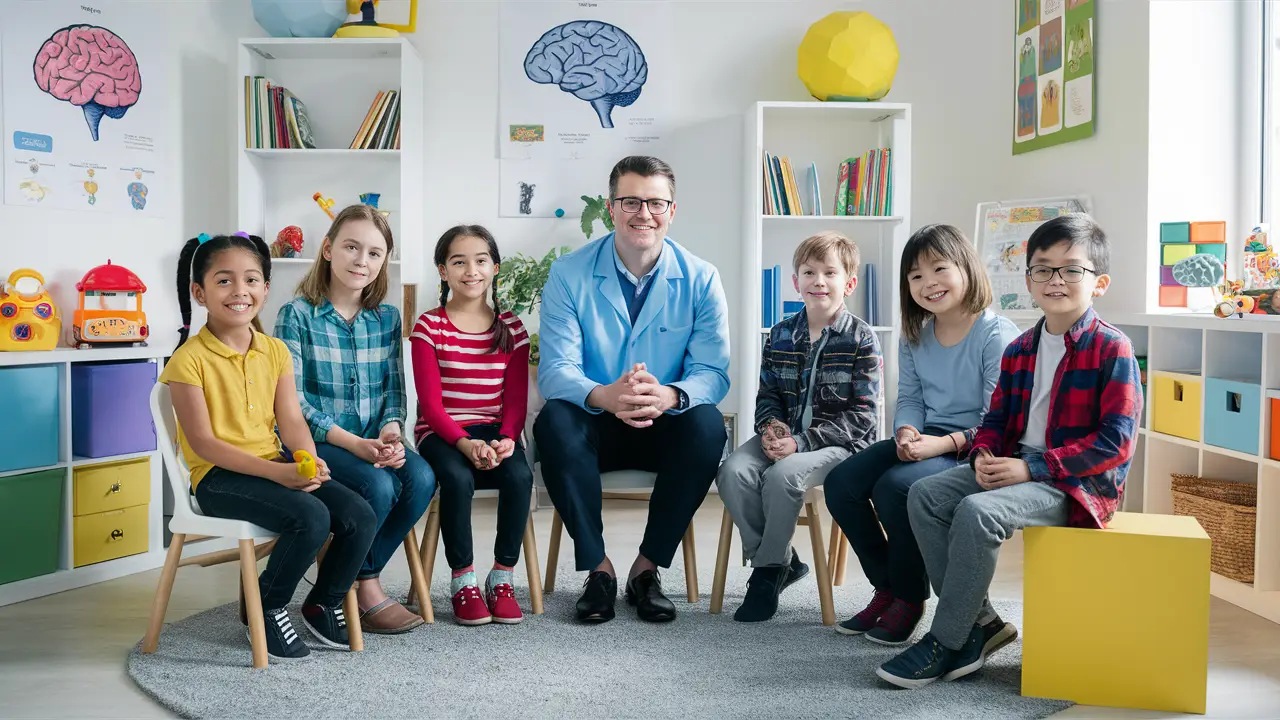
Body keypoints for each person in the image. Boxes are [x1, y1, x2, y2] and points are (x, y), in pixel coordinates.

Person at [876, 214, 1143, 688]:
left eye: (1071, 270)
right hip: (1019, 466)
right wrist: (983, 454)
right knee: (925, 496)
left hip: (1074, 484)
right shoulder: (1021, 348)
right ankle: (982, 624)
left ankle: (946, 639)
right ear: (1028, 280)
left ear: (1098, 283)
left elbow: (1114, 443)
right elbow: (995, 420)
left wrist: (1030, 466)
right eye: (1043, 269)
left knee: (978, 513)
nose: (1055, 279)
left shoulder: (1112, 349)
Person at [161, 232, 376, 662]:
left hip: (274, 464)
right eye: (224, 281)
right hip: (218, 478)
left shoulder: (274, 351)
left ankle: (323, 601)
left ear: (264, 288)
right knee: (311, 517)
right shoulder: (187, 360)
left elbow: (292, 420)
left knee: (359, 515)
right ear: (199, 292)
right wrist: (280, 473)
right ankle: (267, 605)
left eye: (251, 280)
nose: (240, 291)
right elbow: (203, 444)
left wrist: (306, 459)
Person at [534, 155, 731, 624]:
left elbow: (713, 372)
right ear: (610, 207)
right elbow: (556, 369)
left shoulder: (701, 277)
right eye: (631, 201)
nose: (644, 213)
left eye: (656, 202)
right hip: (597, 426)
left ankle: (647, 569)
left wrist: (668, 396)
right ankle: (599, 570)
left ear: (672, 210)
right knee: (555, 420)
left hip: (664, 428)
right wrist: (605, 395)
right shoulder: (568, 273)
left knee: (707, 424)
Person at [824, 224, 1018, 644]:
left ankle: (910, 599)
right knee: (842, 482)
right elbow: (909, 397)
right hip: (927, 437)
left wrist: (942, 444)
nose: (928, 283)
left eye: (939, 269)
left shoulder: (995, 334)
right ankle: (890, 587)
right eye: (915, 275)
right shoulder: (916, 335)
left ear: (965, 267)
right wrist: (906, 430)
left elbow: (998, 418)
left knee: (897, 486)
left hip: (977, 446)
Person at [274, 204, 436, 635]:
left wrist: (390, 431)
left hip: (371, 438)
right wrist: (351, 442)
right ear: (328, 249)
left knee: (420, 478)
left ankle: (359, 574)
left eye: (375, 253)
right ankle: (358, 592)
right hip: (316, 442)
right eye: (351, 247)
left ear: (384, 261)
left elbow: (394, 390)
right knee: (378, 485)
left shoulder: (386, 319)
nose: (362, 260)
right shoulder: (297, 315)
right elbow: (293, 402)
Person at [715, 231, 881, 622]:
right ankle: (783, 560)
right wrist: (771, 427)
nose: (818, 281)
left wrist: (801, 442)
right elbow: (767, 393)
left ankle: (766, 574)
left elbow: (864, 416)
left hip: (839, 445)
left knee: (783, 476)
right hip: (784, 435)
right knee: (732, 471)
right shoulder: (781, 334)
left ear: (849, 283)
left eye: (830, 272)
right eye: (809, 272)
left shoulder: (862, 338)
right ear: (796, 281)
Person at [411, 224, 534, 626]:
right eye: (458, 262)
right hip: (442, 433)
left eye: (481, 260)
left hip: (495, 430)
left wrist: (506, 440)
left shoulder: (512, 328)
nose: (471, 270)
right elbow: (430, 406)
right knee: (457, 480)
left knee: (519, 477)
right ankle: (462, 580)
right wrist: (464, 444)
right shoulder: (430, 327)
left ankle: (502, 577)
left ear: (494, 267)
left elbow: (515, 401)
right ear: (443, 271)